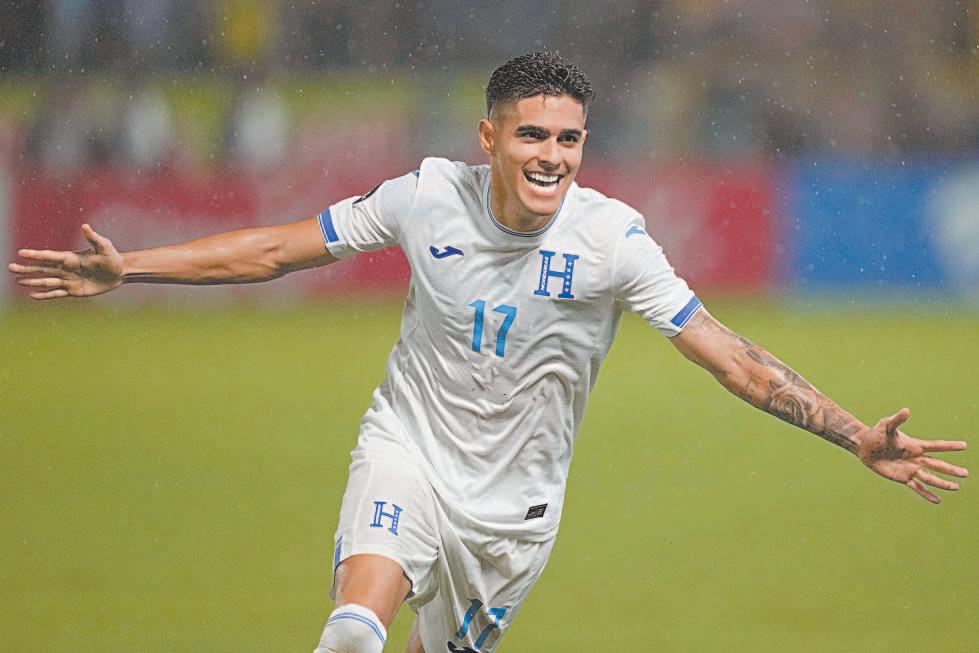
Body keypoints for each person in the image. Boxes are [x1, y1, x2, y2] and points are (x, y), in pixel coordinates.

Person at [8, 51, 969, 653]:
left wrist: (852, 433)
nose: (552, 155)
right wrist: (132, 267)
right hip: (408, 450)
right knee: (353, 628)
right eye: (531, 135)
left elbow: (733, 357)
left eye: (569, 139)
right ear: (488, 137)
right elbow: (274, 250)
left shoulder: (612, 239)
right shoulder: (425, 196)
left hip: (514, 516)